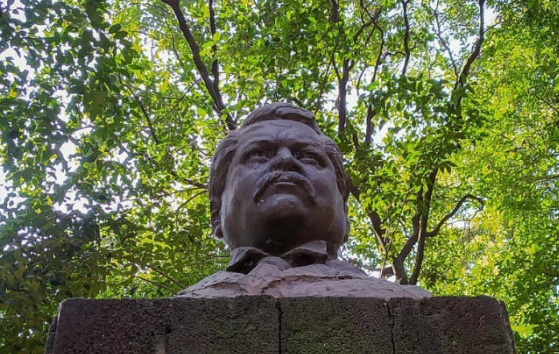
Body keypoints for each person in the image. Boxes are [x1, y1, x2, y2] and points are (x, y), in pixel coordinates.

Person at [179, 103, 431, 298]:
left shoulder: (411, 304)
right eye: (259, 154)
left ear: (345, 211)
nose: (286, 160)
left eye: (308, 157)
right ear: (216, 213)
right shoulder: (182, 313)